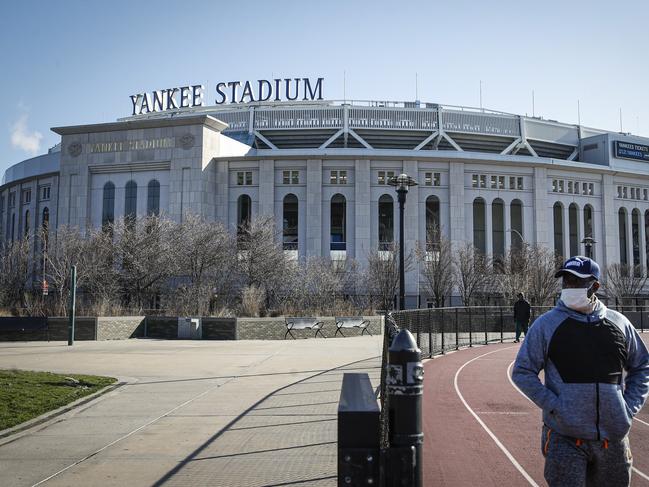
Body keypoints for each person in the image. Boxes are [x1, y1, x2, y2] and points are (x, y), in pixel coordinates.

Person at [512, 256, 649, 487]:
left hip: (613, 442)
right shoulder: (546, 324)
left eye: (576, 281)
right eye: (566, 281)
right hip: (565, 439)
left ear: (595, 286)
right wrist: (554, 405)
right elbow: (522, 371)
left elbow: (642, 366)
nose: (569, 287)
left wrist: (628, 407)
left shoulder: (620, 323)